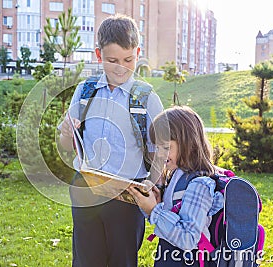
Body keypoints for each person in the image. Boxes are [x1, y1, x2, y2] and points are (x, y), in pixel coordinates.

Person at [59, 14, 163, 267]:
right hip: (86, 189)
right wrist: (64, 133)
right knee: (85, 260)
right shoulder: (85, 92)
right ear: (98, 55)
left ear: (138, 53)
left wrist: (151, 186)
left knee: (122, 261)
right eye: (112, 60)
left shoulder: (147, 99)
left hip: (127, 197)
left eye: (128, 60)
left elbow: (161, 153)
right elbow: (66, 145)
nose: (120, 68)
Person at [127, 106, 224, 267]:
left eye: (166, 148)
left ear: (189, 144)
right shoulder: (177, 175)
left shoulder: (199, 184)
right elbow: (174, 217)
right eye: (157, 147)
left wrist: (154, 211)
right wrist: (158, 204)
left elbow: (188, 238)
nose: (159, 154)